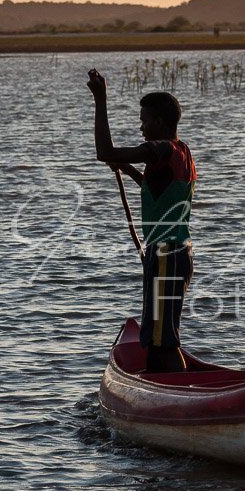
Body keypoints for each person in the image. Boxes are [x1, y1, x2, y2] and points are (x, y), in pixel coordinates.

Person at [87, 69, 196, 372]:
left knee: (164, 339)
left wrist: (100, 100)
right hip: (172, 252)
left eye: (145, 121)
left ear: (160, 123)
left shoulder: (160, 148)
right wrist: (130, 170)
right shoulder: (180, 151)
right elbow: (160, 194)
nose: (141, 127)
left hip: (166, 254)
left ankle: (180, 396)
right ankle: (157, 385)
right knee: (154, 336)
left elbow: (103, 151)